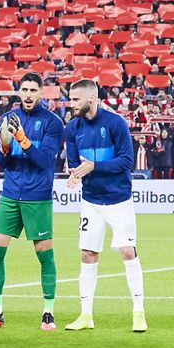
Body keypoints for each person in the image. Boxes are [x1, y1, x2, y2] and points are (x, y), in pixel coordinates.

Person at [0, 72, 65, 331]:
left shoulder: (53, 123)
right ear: (19, 92)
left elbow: (44, 161)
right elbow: (3, 162)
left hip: (38, 197)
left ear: (41, 93)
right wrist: (4, 148)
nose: (28, 94)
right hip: (10, 194)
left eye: (33, 90)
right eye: (24, 90)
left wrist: (22, 139)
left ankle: (48, 314)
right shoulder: (7, 118)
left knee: (44, 255)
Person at [62, 78, 145, 333]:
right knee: (88, 254)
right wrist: (74, 174)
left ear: (91, 98)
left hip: (119, 200)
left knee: (127, 251)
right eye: (70, 99)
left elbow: (127, 161)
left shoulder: (115, 123)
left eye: (76, 99)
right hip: (91, 201)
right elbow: (75, 163)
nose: (71, 104)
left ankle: (139, 313)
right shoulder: (72, 128)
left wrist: (94, 167)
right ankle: (86, 315)